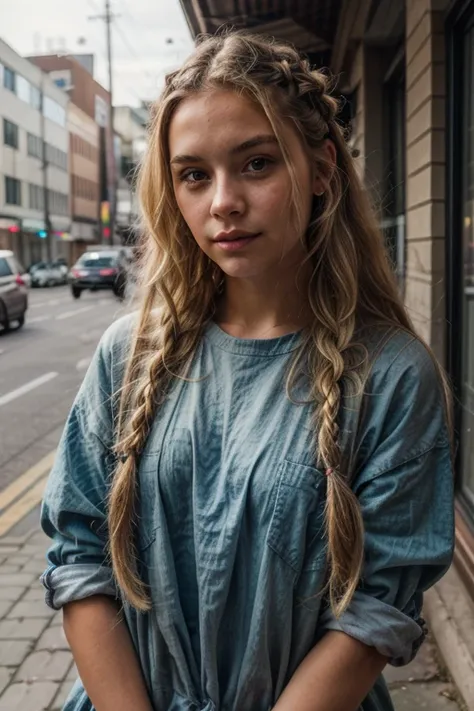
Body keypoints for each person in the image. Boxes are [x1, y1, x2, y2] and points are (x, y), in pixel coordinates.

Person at [40, 31, 455, 711]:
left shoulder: (391, 375)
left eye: (256, 163)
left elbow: (374, 613)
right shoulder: (128, 353)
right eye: (194, 174)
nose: (222, 202)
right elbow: (80, 560)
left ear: (321, 168)